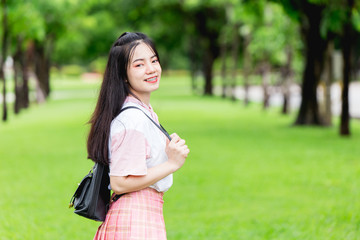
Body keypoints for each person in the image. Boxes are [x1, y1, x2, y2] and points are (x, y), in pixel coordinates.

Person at [87, 32, 190, 240]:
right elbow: (120, 182)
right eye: (139, 64)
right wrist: (172, 163)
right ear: (123, 74)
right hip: (134, 219)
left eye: (154, 60)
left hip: (141, 215)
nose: (151, 69)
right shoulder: (133, 119)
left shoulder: (142, 111)